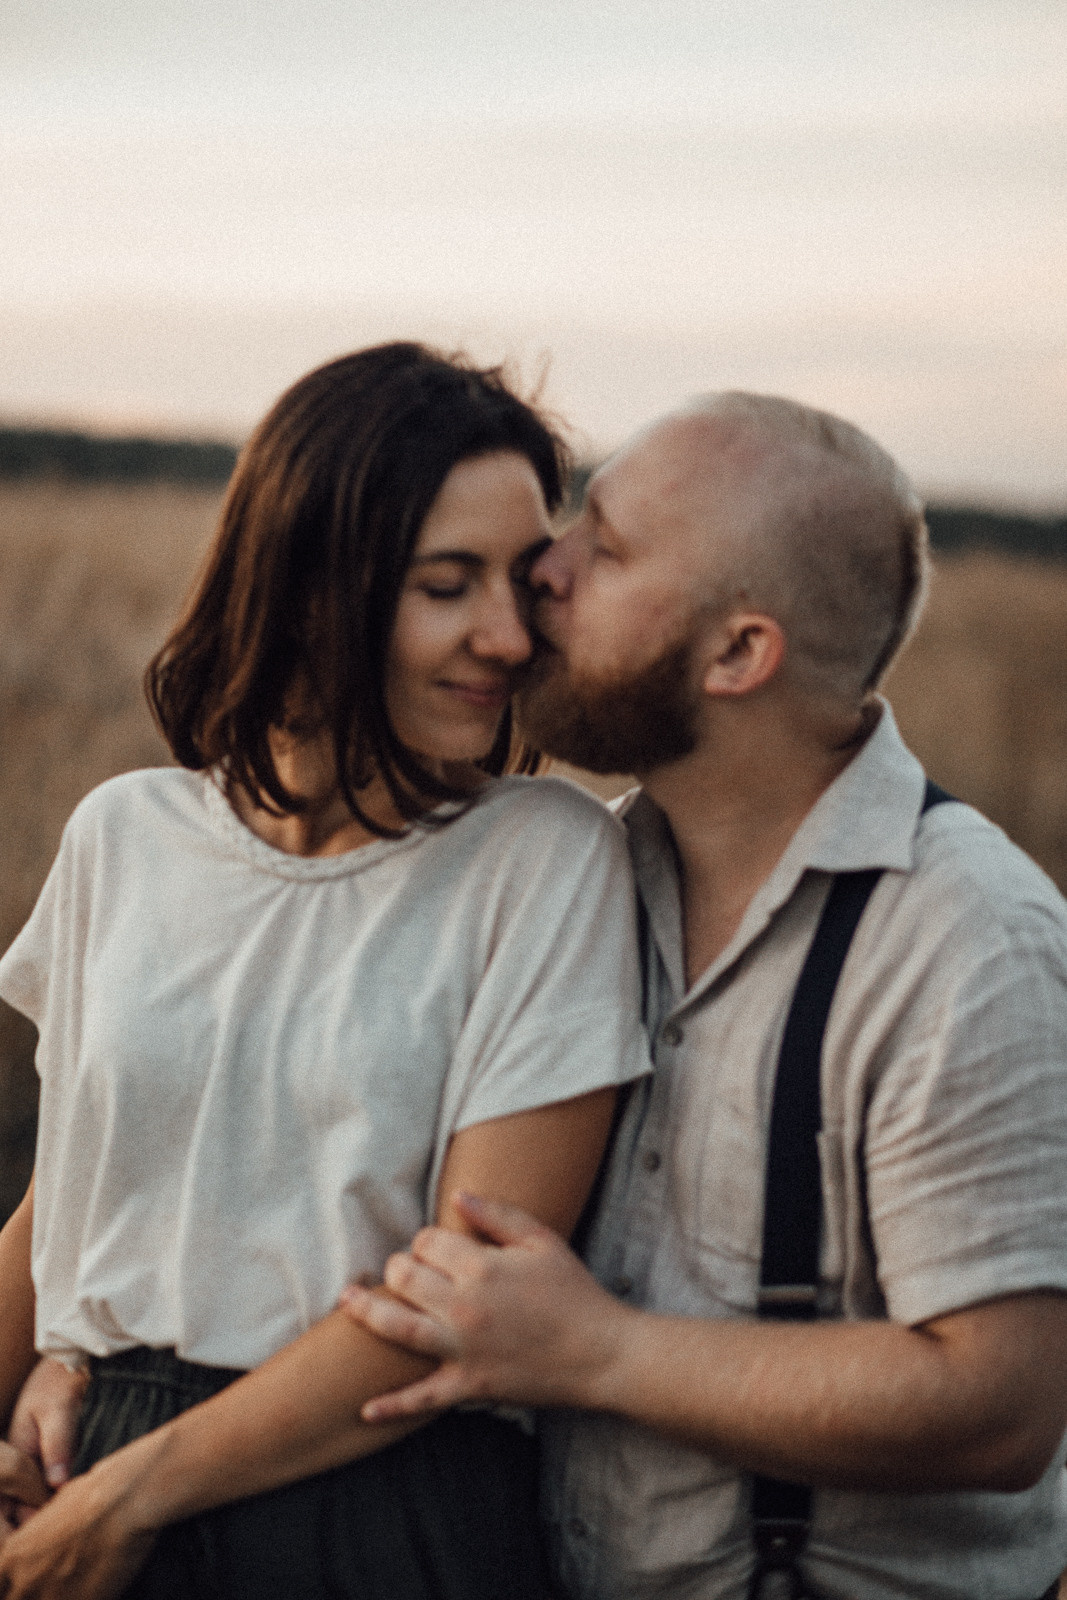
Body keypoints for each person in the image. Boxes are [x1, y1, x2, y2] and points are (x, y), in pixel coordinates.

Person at [341, 393, 1067, 1600]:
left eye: (603, 549)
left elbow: (1001, 1407)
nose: (541, 569)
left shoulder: (964, 939)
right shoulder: (574, 879)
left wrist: (596, 1353)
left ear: (738, 653)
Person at [0, 342, 651, 1599]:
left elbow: (469, 1288)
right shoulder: (122, 835)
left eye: (523, 582)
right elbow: (59, 1210)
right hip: (89, 1462)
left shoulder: (545, 860)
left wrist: (142, 1486)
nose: (507, 636)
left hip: (374, 1497)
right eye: (446, 584)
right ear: (306, 585)